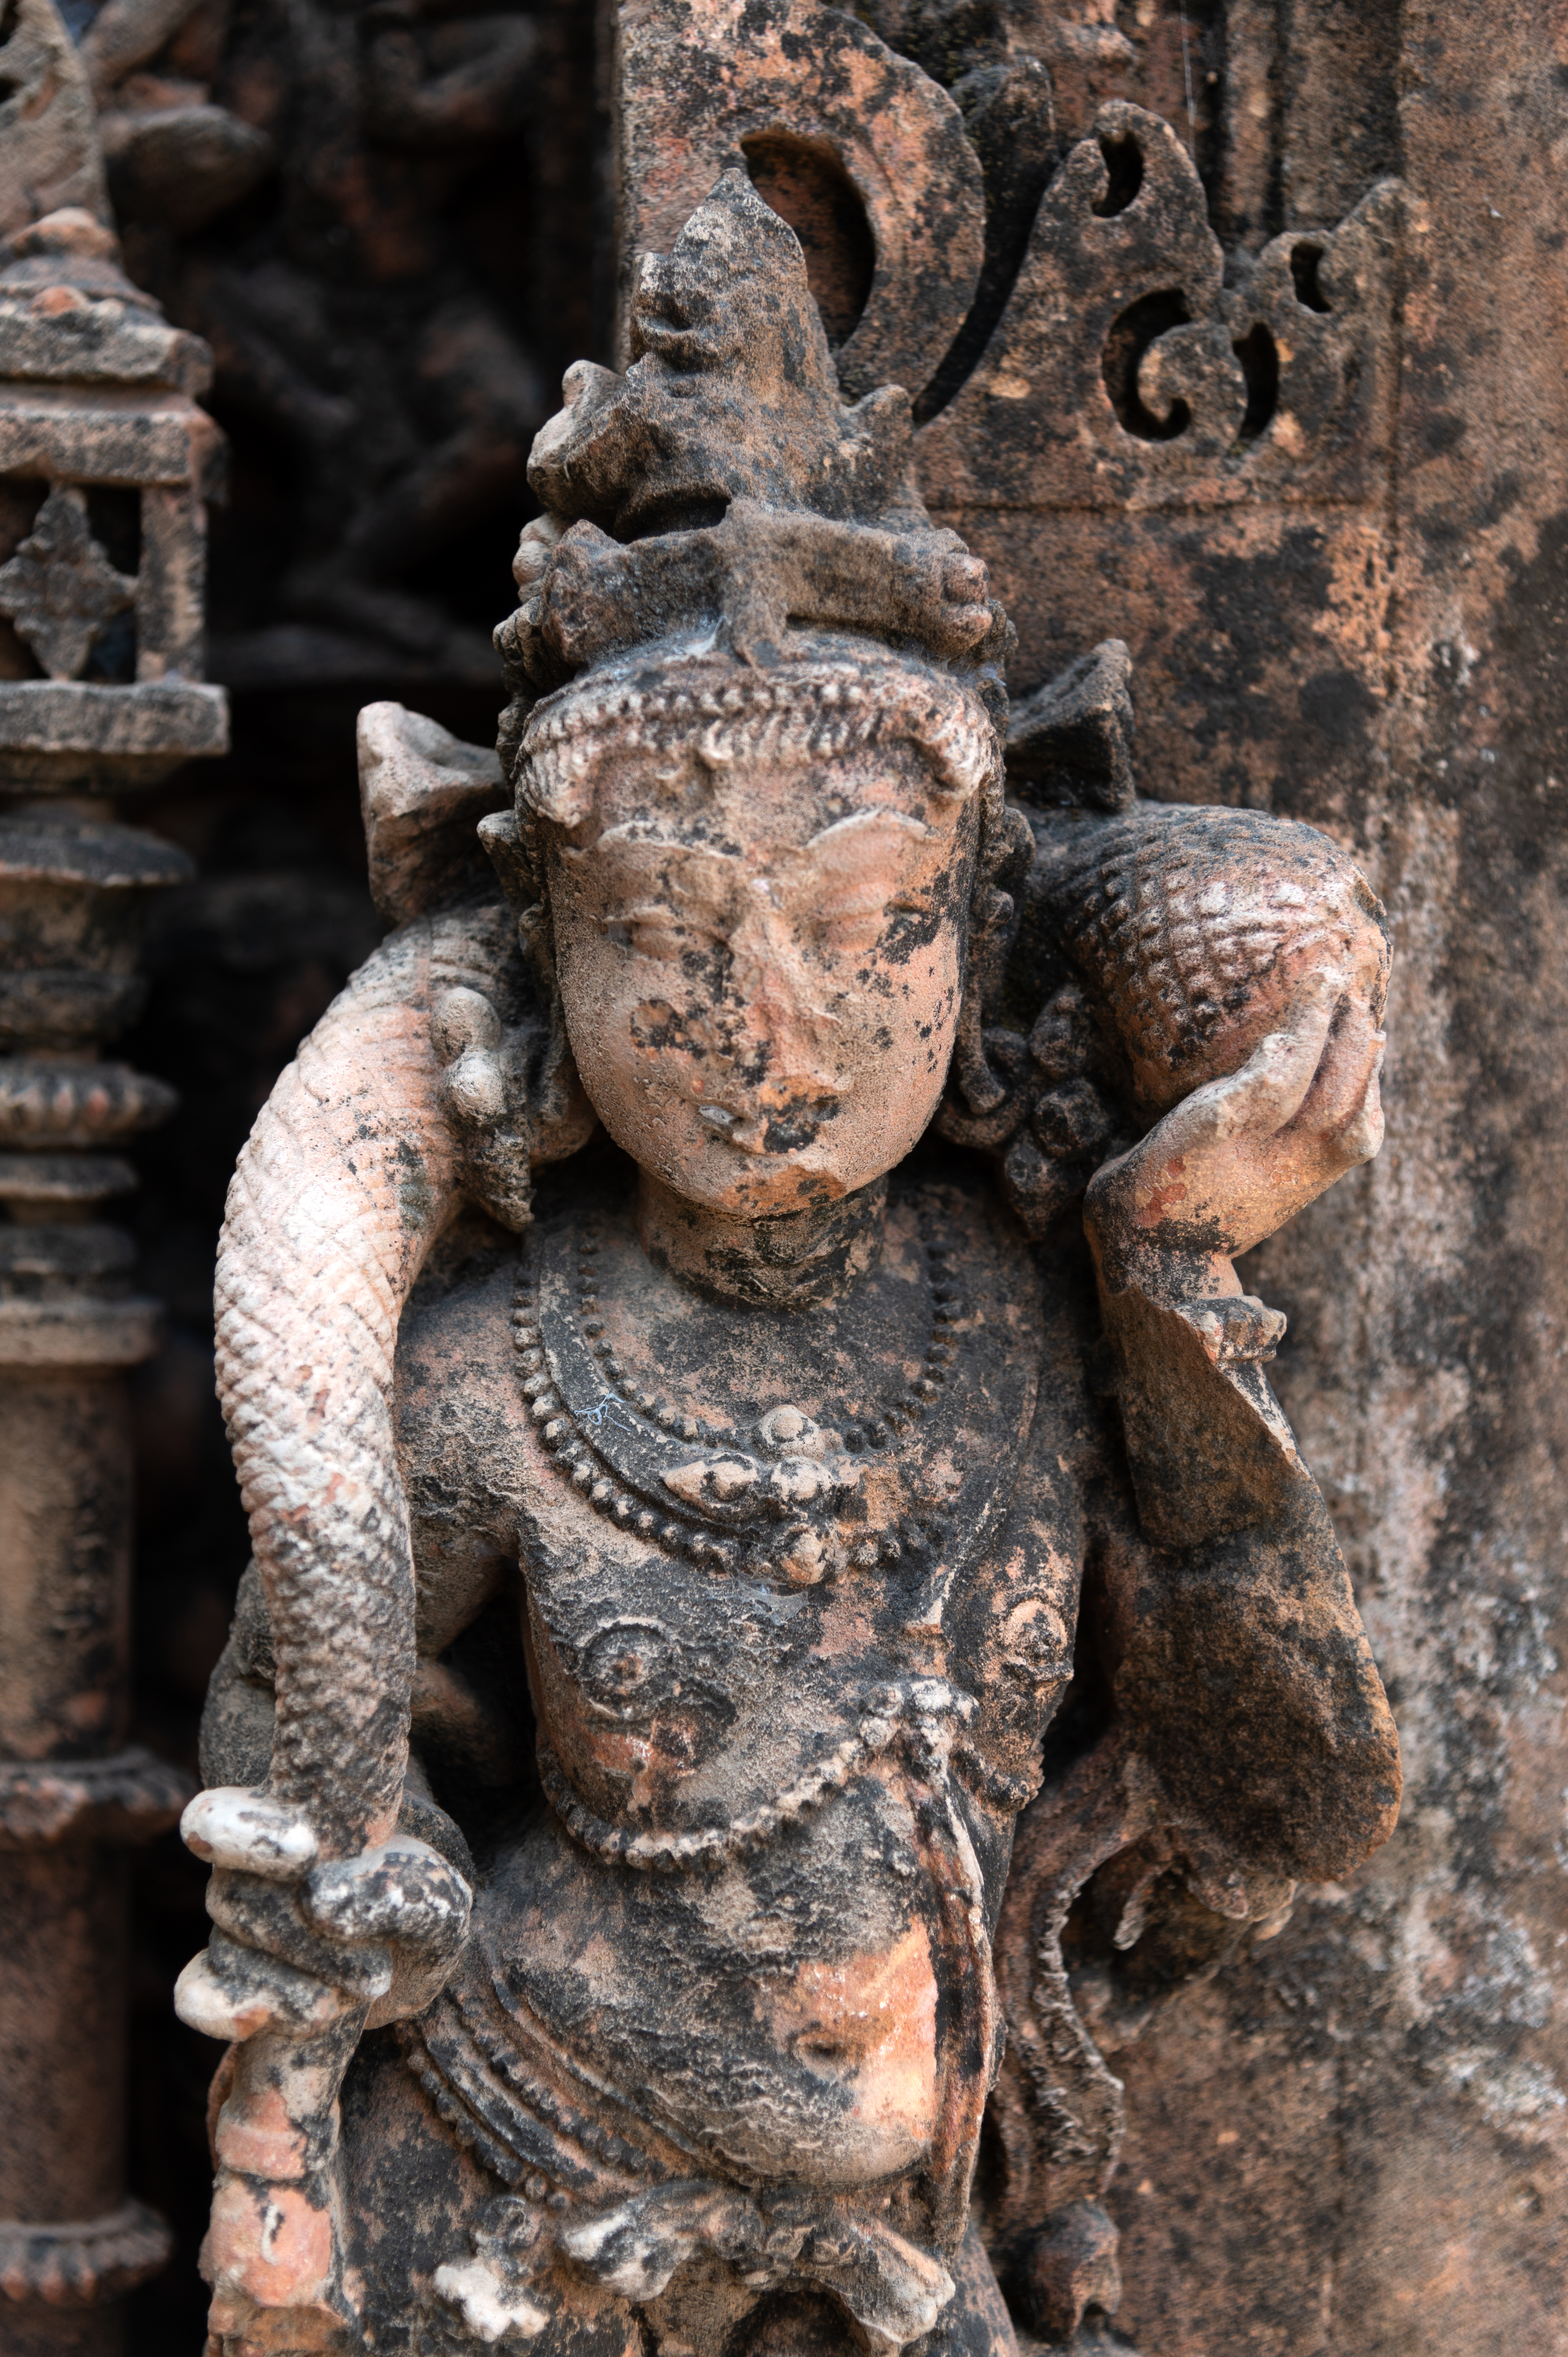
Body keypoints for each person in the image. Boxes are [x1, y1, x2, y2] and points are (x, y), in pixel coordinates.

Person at [178, 173, 1399, 2357]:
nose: (769, 1034)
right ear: (531, 976)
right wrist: (272, 2171)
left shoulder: (1028, 1337)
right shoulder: (495, 1381)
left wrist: (1163, 1274)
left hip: (917, 2231)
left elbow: (1294, 1797)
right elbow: (301, 1765)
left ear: (979, 934)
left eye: (866, 932)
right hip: (517, 2174)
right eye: (657, 933)